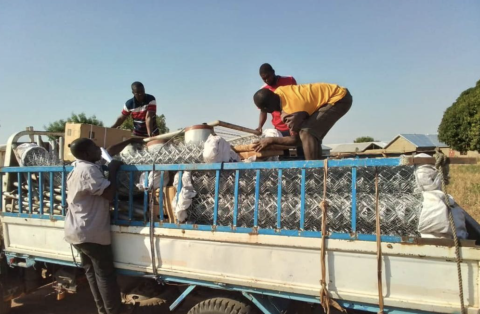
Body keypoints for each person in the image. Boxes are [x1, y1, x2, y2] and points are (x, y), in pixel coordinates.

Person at [64, 138, 133, 314]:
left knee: (92, 273)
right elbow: (109, 194)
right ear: (87, 153)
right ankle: (114, 311)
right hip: (90, 232)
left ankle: (103, 310)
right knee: (105, 275)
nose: (99, 150)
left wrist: (131, 140)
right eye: (95, 148)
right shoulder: (89, 170)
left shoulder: (79, 167)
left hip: (78, 231)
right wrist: (113, 170)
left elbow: (108, 150)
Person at [252, 83, 353, 160]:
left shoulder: (292, 110)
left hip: (339, 98)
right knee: (311, 133)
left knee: (307, 132)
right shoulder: (279, 91)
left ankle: (314, 173)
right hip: (334, 93)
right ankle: (320, 171)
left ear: (267, 108)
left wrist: (270, 140)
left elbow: (296, 141)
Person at [256, 63, 297, 135]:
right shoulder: (263, 90)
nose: (266, 80)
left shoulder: (289, 80)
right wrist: (260, 126)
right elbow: (263, 111)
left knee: (302, 145)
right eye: (263, 79)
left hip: (295, 123)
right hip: (280, 128)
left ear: (273, 72)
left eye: (268, 77)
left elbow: (298, 99)